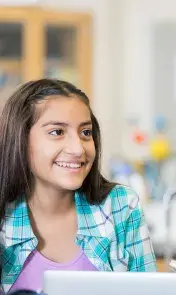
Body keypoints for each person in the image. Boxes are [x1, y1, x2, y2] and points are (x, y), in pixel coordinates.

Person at [0, 79, 156, 293]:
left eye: (85, 133)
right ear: (20, 139)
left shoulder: (121, 206)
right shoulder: (3, 217)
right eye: (57, 132)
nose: (78, 149)